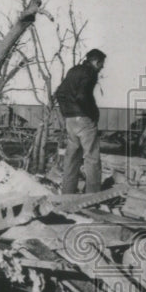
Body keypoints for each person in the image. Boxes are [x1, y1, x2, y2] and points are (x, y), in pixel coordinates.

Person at [54, 49, 106, 194]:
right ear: (96, 62)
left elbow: (59, 93)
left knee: (72, 157)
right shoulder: (90, 72)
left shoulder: (73, 71)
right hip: (84, 120)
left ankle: (67, 193)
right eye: (102, 63)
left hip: (70, 120)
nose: (102, 67)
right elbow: (82, 97)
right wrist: (92, 114)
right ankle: (93, 196)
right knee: (92, 158)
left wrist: (67, 113)